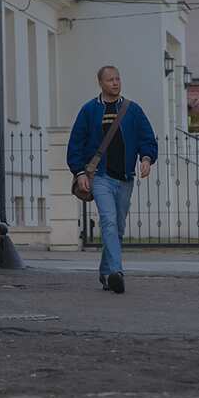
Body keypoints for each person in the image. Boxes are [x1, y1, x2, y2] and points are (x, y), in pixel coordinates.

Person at [67, 65, 158, 294]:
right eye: (110, 80)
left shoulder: (132, 110)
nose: (115, 83)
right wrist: (79, 173)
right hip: (100, 177)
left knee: (117, 228)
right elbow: (75, 144)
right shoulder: (89, 110)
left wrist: (146, 158)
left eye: (118, 79)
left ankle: (105, 273)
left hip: (125, 178)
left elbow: (147, 138)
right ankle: (117, 272)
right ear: (100, 83)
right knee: (108, 221)